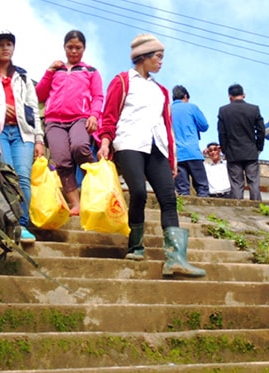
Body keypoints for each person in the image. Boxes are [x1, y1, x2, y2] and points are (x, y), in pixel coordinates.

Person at [97, 33, 205, 277]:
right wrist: (105, 141)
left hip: (157, 148)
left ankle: (176, 258)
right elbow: (110, 114)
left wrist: (172, 159)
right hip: (129, 143)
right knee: (137, 192)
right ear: (143, 57)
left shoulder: (162, 91)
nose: (161, 61)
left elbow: (166, 126)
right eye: (158, 56)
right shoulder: (123, 81)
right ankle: (135, 245)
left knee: (168, 198)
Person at [35, 30, 104, 216]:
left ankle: (98, 183)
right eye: (70, 47)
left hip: (79, 118)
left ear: (84, 48)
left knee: (80, 146)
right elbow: (39, 95)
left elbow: (98, 96)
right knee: (62, 161)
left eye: (78, 48)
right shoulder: (55, 71)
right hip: (54, 121)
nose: (74, 51)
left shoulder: (90, 71)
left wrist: (94, 115)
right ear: (64, 47)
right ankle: (76, 204)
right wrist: (49, 71)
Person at [0, 29, 45, 242]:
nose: (5, 48)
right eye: (0, 44)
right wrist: (1, 109)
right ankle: (7, 223)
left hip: (23, 133)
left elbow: (33, 109)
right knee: (6, 175)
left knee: (23, 178)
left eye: (9, 44)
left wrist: (39, 139)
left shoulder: (22, 76)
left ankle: (23, 225)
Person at [217, 83, 265, 200]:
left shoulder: (224, 110)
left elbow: (222, 133)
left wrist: (225, 150)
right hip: (250, 150)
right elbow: (261, 130)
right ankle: (258, 209)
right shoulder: (254, 109)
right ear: (244, 95)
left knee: (236, 184)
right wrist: (258, 147)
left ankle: (238, 210)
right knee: (254, 182)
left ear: (230, 96)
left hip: (233, 152)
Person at [171, 85, 209, 197]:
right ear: (185, 96)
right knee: (202, 187)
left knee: (182, 190)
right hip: (193, 152)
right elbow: (204, 126)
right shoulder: (191, 107)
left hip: (176, 154)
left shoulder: (167, 109)